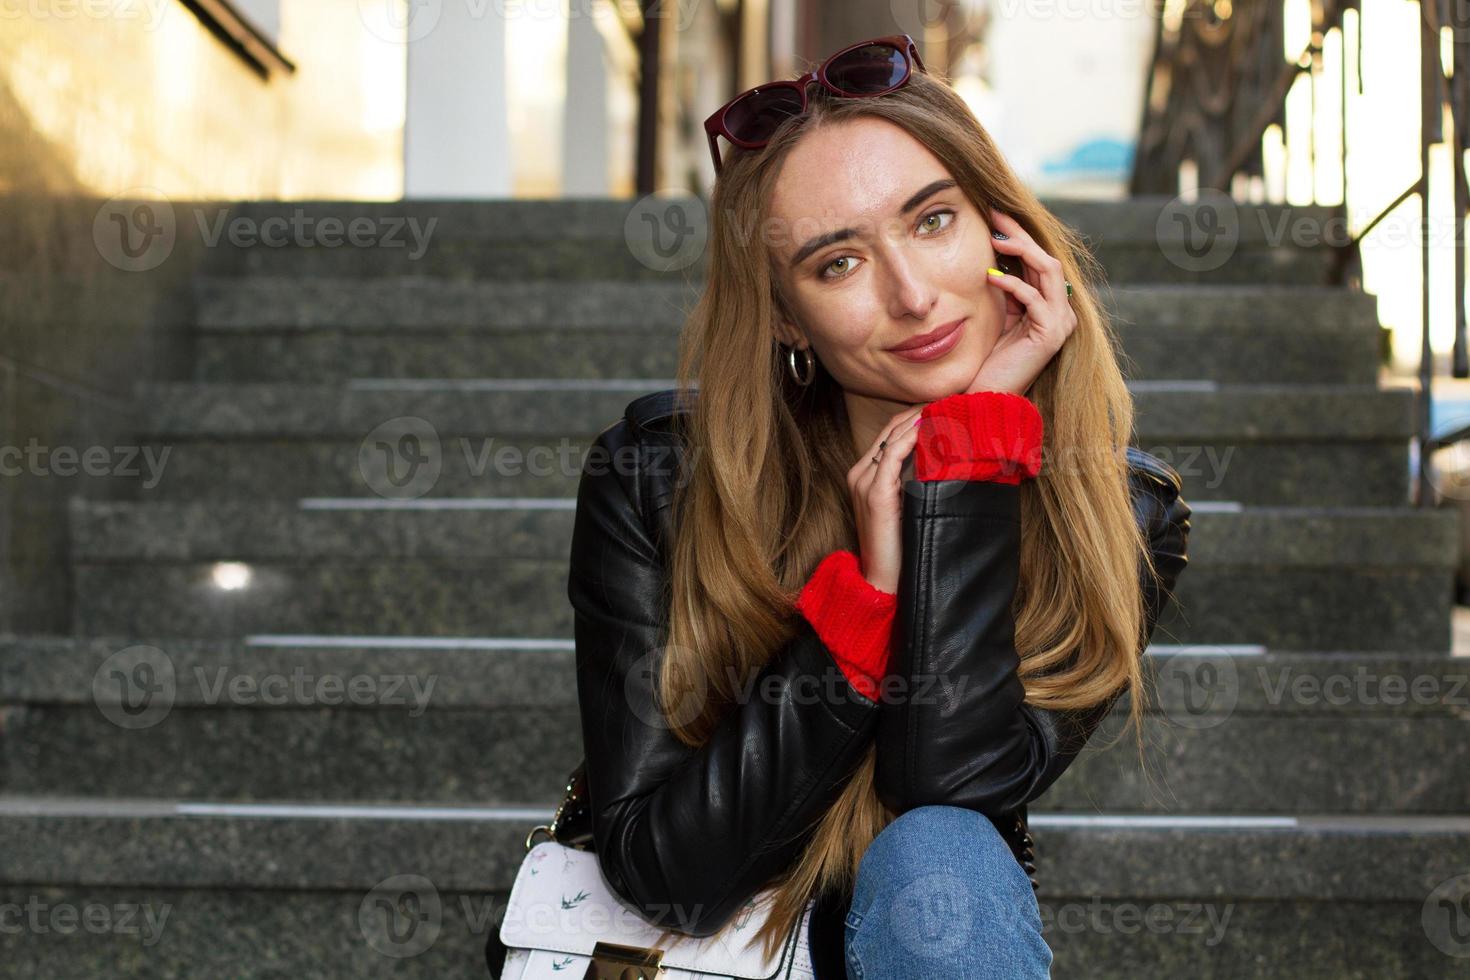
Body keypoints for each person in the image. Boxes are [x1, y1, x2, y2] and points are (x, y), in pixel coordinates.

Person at [566, 35, 1192, 979]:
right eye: (837, 265)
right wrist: (863, 607)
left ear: (1004, 232)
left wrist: (969, 456)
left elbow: (950, 782)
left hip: (928, 938)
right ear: (785, 318)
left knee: (941, 854)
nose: (911, 295)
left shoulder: (1123, 516)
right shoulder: (660, 480)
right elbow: (665, 870)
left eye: (933, 221)